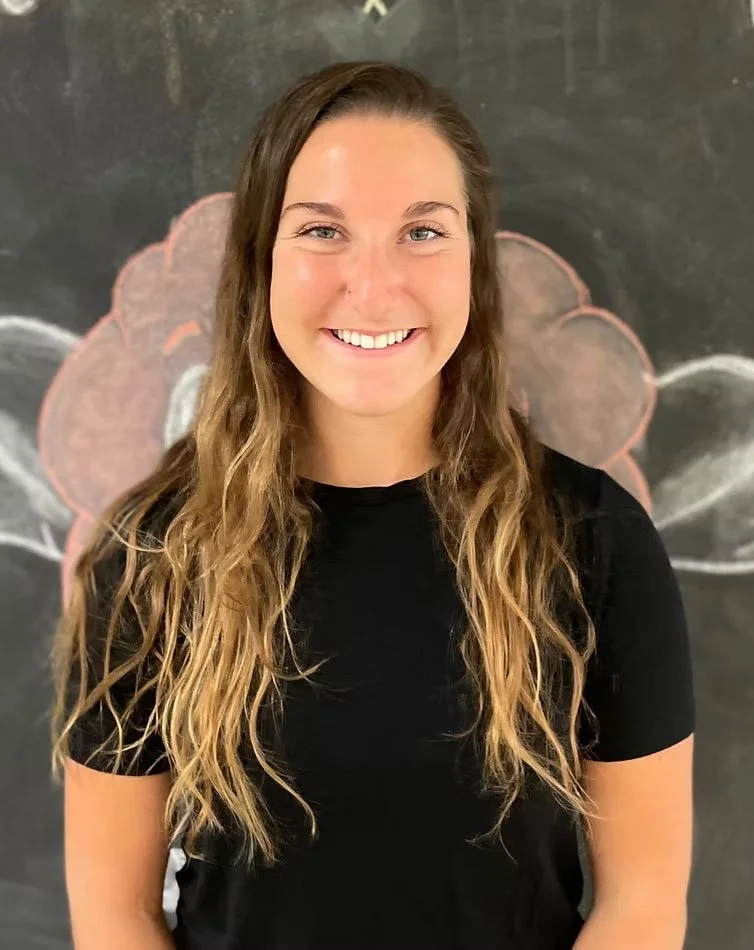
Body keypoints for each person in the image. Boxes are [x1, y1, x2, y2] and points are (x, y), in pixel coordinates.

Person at [49, 61, 695, 950]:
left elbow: (645, 904)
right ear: (259, 262)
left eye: (423, 233)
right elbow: (114, 917)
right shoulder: (156, 555)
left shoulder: (595, 539)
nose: (375, 284)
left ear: (474, 260)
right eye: (322, 230)